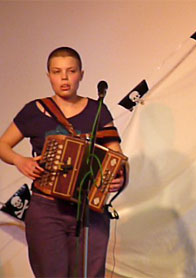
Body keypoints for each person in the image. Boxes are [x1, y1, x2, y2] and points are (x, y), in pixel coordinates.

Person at [0, 47, 125, 277]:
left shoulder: (97, 110)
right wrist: (20, 161)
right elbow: (2, 145)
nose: (64, 78)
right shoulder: (34, 110)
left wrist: (119, 178)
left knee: (90, 274)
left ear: (81, 74)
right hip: (47, 209)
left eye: (71, 71)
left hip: (90, 210)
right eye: (57, 72)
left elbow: (116, 155)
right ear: (49, 75)